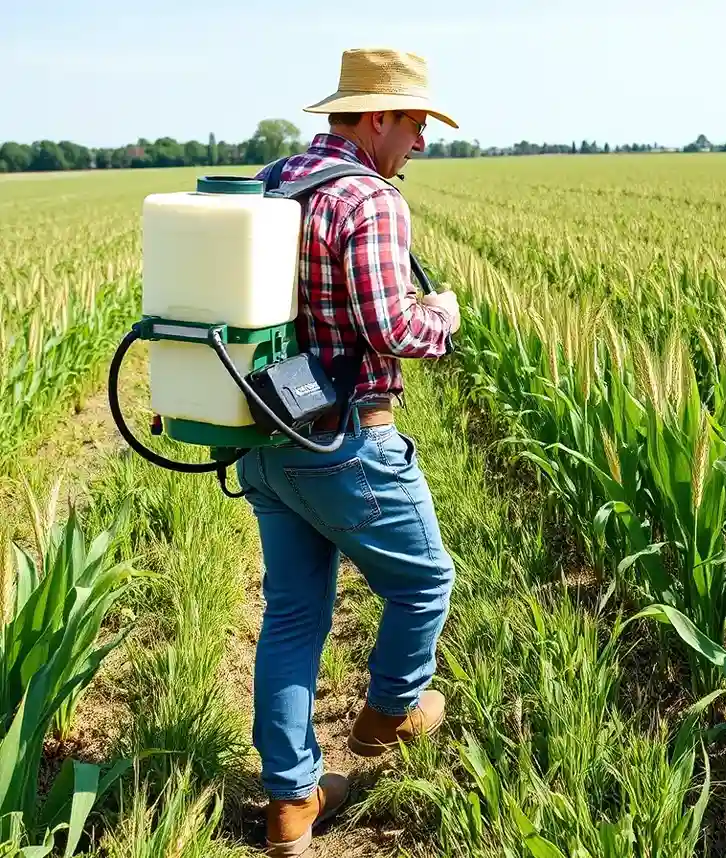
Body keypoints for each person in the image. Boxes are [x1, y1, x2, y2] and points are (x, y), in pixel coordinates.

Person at [233, 47, 462, 857]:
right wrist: (443, 317)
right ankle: (388, 718)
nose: (422, 144)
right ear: (374, 118)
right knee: (427, 579)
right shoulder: (368, 198)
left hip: (263, 433)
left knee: (292, 616)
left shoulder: (272, 182)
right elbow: (388, 329)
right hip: (344, 436)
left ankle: (291, 806)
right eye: (414, 124)